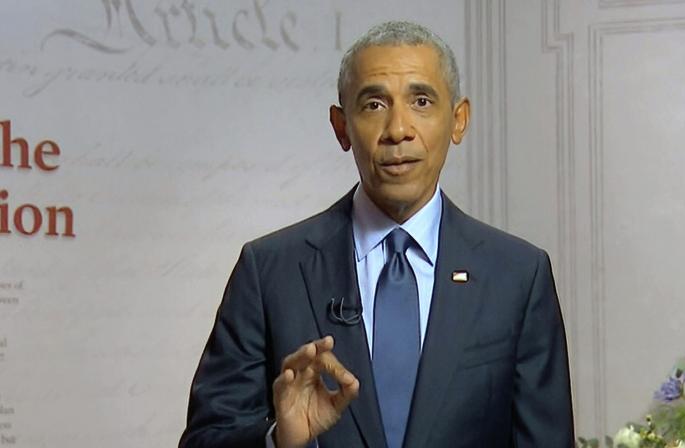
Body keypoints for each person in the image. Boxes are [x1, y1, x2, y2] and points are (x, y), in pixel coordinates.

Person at [179, 20, 574, 448]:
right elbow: (205, 439)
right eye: (373, 105)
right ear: (341, 127)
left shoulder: (518, 275)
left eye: (421, 101)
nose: (398, 129)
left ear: (458, 120)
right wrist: (278, 440)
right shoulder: (270, 269)